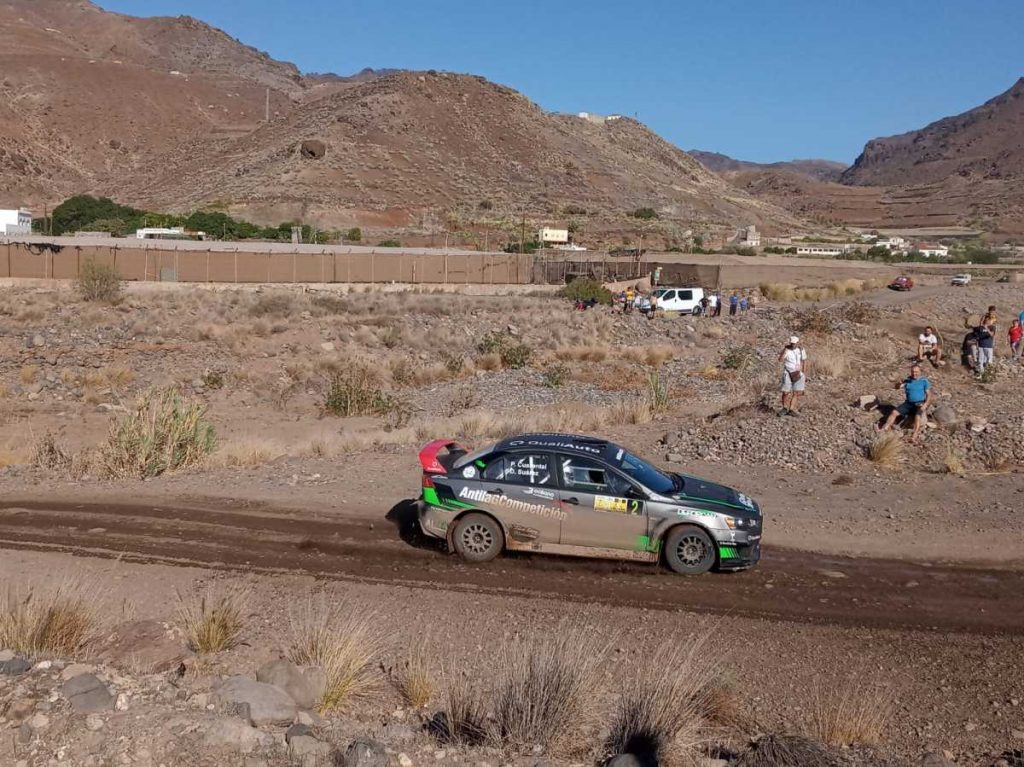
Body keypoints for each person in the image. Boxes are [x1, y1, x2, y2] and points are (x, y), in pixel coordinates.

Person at [878, 364, 932, 444]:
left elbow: (929, 394)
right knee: (894, 412)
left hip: (919, 403)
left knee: (917, 416)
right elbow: (897, 387)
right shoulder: (907, 380)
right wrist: (899, 384)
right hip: (908, 403)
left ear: (920, 372)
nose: (914, 373)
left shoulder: (924, 381)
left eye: (916, 372)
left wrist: (925, 404)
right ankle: (884, 428)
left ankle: (914, 437)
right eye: (912, 371)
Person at [778, 335, 807, 416]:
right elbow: (780, 360)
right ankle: (784, 408)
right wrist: (784, 350)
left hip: (798, 373)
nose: (793, 344)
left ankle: (791, 409)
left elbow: (804, 361)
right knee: (785, 392)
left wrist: (804, 373)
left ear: (798, 343)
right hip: (788, 372)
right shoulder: (787, 350)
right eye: (792, 343)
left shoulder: (801, 350)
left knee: (797, 392)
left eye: (794, 343)